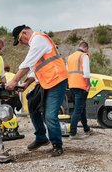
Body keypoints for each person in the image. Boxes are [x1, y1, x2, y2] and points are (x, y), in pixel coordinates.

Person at [5, 25, 68, 157]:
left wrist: (14, 81)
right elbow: (35, 69)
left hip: (57, 80)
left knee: (49, 115)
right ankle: (41, 137)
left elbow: (27, 64)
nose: (21, 43)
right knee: (32, 104)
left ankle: (57, 145)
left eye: (20, 40)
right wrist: (26, 83)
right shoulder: (35, 44)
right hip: (46, 82)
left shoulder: (38, 39)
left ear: (24, 32)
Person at [66, 41, 93, 139]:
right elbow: (86, 73)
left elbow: (67, 72)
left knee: (82, 108)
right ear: (86, 48)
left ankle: (86, 129)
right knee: (78, 110)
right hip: (81, 86)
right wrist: (88, 84)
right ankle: (73, 133)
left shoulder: (70, 57)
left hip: (72, 86)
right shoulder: (83, 56)